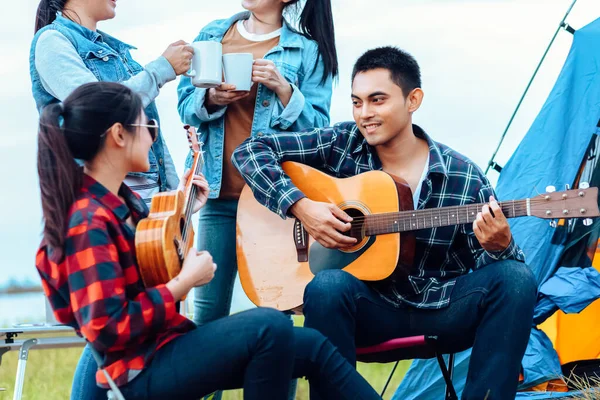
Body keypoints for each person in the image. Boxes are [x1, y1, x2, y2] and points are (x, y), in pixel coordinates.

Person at [34, 81, 381, 400]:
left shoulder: (126, 203)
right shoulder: (86, 222)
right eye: (147, 127)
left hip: (164, 345)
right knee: (270, 326)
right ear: (118, 136)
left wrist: (187, 214)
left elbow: (151, 272)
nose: (153, 139)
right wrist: (185, 282)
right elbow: (107, 328)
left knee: (310, 345)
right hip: (137, 372)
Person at [233, 46, 538, 400]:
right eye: (357, 102)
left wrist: (501, 247)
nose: (365, 114)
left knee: (516, 278)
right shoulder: (342, 143)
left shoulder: (463, 177)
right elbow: (250, 151)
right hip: (366, 310)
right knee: (326, 286)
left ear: (413, 100)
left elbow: (495, 283)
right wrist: (301, 207)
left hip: (440, 309)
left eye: (377, 100)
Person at [177, 0, 337, 331]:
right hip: (217, 197)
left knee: (277, 314)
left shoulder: (306, 50)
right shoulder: (212, 35)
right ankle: (204, 384)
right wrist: (210, 100)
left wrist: (285, 90)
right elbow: (185, 107)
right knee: (207, 319)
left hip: (275, 203)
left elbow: (320, 131)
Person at [31, 0, 192, 203]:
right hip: (105, 200)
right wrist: (162, 69)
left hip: (146, 204)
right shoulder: (52, 41)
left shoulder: (112, 49)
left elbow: (149, 130)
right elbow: (99, 107)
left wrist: (173, 196)